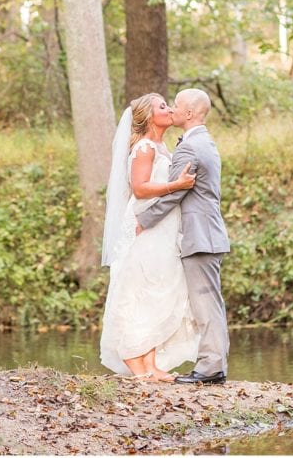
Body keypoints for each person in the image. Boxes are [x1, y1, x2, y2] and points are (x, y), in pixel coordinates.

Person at [99, 93, 200, 381]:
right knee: (139, 287)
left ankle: (151, 364)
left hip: (163, 225)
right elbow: (140, 188)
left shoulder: (161, 146)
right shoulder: (144, 147)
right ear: (147, 116)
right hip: (145, 224)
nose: (169, 110)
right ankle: (133, 357)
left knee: (160, 287)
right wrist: (175, 184)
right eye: (162, 106)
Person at [136, 88, 231, 385]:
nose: (173, 110)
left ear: (188, 113)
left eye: (176, 106)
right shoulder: (203, 141)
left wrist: (145, 219)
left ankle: (211, 368)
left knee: (206, 305)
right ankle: (212, 363)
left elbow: (176, 192)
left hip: (199, 234)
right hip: (207, 232)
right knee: (209, 303)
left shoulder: (190, 147)